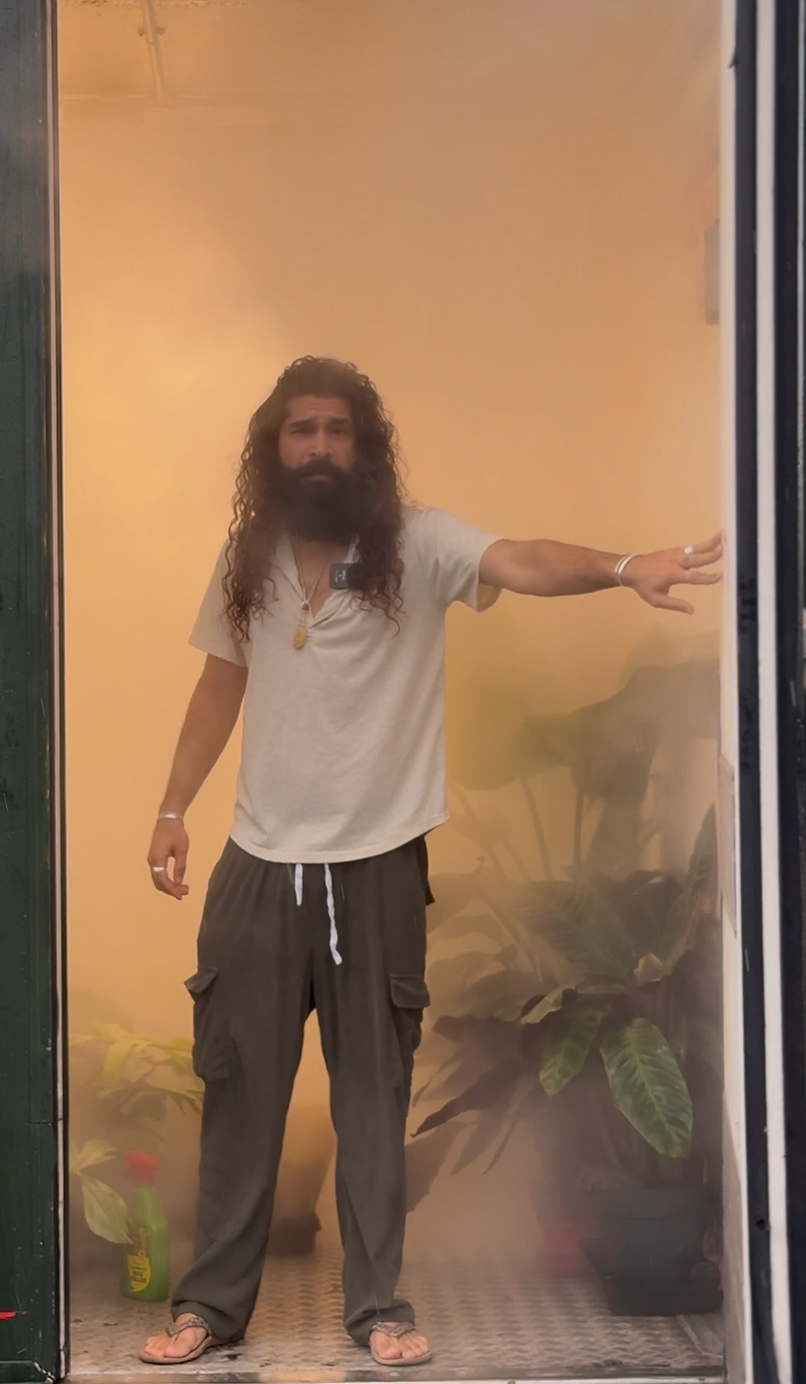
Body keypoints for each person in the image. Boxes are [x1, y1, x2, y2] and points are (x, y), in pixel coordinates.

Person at [139, 357, 722, 1369]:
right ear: (273, 447)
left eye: (337, 429)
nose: (319, 446)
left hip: (375, 866)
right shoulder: (247, 556)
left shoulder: (417, 542)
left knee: (372, 1099)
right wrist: (170, 807)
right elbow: (217, 686)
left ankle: (377, 1309)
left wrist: (626, 564)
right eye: (301, 429)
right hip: (257, 865)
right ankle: (209, 1309)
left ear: (363, 445)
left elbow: (523, 559)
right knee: (238, 1094)